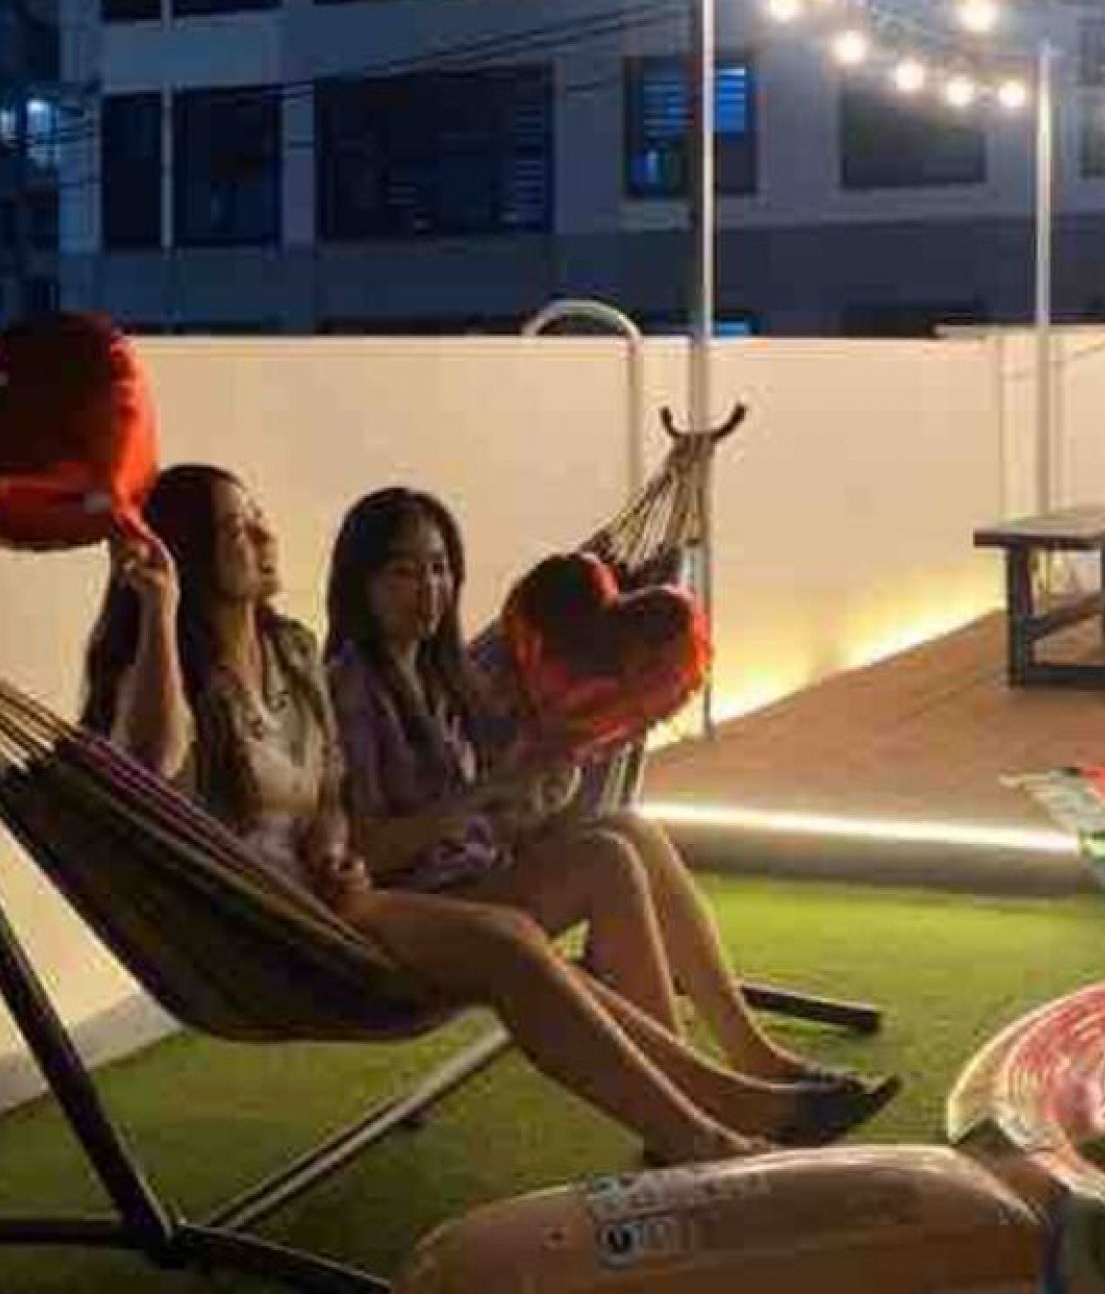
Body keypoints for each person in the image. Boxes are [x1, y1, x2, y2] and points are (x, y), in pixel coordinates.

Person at [80, 464, 890, 1166]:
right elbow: (149, 766)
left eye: (258, 516)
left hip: (349, 893)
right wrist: (158, 611)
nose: (264, 534)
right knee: (545, 912)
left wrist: (340, 840)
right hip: (281, 929)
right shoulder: (220, 679)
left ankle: (732, 1098)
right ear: (189, 555)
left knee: (614, 846)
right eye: (236, 527)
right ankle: (713, 1125)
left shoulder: (292, 650)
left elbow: (327, 796)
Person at [323, 487, 891, 1092]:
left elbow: (477, 820)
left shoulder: (441, 675)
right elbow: (369, 851)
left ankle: (752, 1056)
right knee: (606, 861)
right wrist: (487, 791)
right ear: (361, 583)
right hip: (424, 912)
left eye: (439, 568)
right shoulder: (352, 690)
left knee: (630, 830)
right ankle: (693, 1089)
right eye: (404, 572)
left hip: (476, 876)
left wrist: (533, 791)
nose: (429, 590)